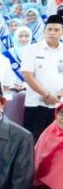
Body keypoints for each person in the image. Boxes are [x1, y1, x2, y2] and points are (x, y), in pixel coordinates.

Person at [21, 13, 63, 141]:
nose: (52, 33)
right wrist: (46, 95)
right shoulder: (32, 49)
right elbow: (28, 75)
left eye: (56, 30)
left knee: (56, 143)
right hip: (36, 104)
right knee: (33, 142)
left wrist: (59, 96)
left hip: (59, 106)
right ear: (44, 31)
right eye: (49, 29)